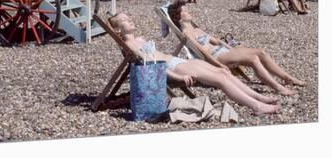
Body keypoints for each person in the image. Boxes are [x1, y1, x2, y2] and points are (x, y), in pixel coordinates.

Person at [110, 13, 280, 115]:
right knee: (220, 80)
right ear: (117, 30)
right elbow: (152, 65)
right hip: (171, 68)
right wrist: (178, 77)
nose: (130, 19)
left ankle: (259, 97)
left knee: (224, 72)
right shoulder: (130, 46)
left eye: (128, 16)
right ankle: (257, 106)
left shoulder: (139, 39)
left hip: (177, 61)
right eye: (124, 20)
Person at [167, 0, 305, 96]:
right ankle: (278, 88)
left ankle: (288, 78)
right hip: (217, 56)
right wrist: (219, 65)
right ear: (179, 17)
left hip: (224, 51)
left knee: (261, 52)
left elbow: (217, 41)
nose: (189, 11)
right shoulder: (187, 34)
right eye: (185, 10)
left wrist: (230, 48)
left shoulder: (197, 29)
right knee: (253, 58)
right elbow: (203, 53)